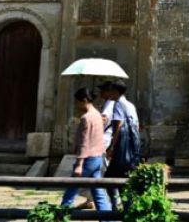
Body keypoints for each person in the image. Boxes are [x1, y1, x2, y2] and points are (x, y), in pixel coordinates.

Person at [60, 88, 111, 215]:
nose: (76, 105)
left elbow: (84, 143)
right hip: (98, 158)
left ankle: (62, 216)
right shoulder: (98, 115)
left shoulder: (86, 118)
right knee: (98, 193)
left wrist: (79, 164)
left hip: (88, 159)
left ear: (84, 101)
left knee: (70, 192)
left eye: (77, 102)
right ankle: (108, 218)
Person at [77, 82, 116, 210]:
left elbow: (103, 120)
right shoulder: (107, 104)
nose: (100, 93)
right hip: (102, 144)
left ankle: (102, 201)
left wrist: (91, 115)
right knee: (96, 176)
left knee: (81, 180)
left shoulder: (109, 104)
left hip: (102, 143)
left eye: (103, 90)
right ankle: (92, 201)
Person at [104, 80, 141, 209]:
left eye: (111, 91)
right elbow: (136, 126)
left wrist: (112, 147)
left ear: (115, 91)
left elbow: (118, 126)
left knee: (109, 178)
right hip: (131, 148)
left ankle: (117, 207)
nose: (109, 93)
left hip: (121, 149)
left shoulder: (118, 104)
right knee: (123, 179)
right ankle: (125, 207)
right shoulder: (130, 105)